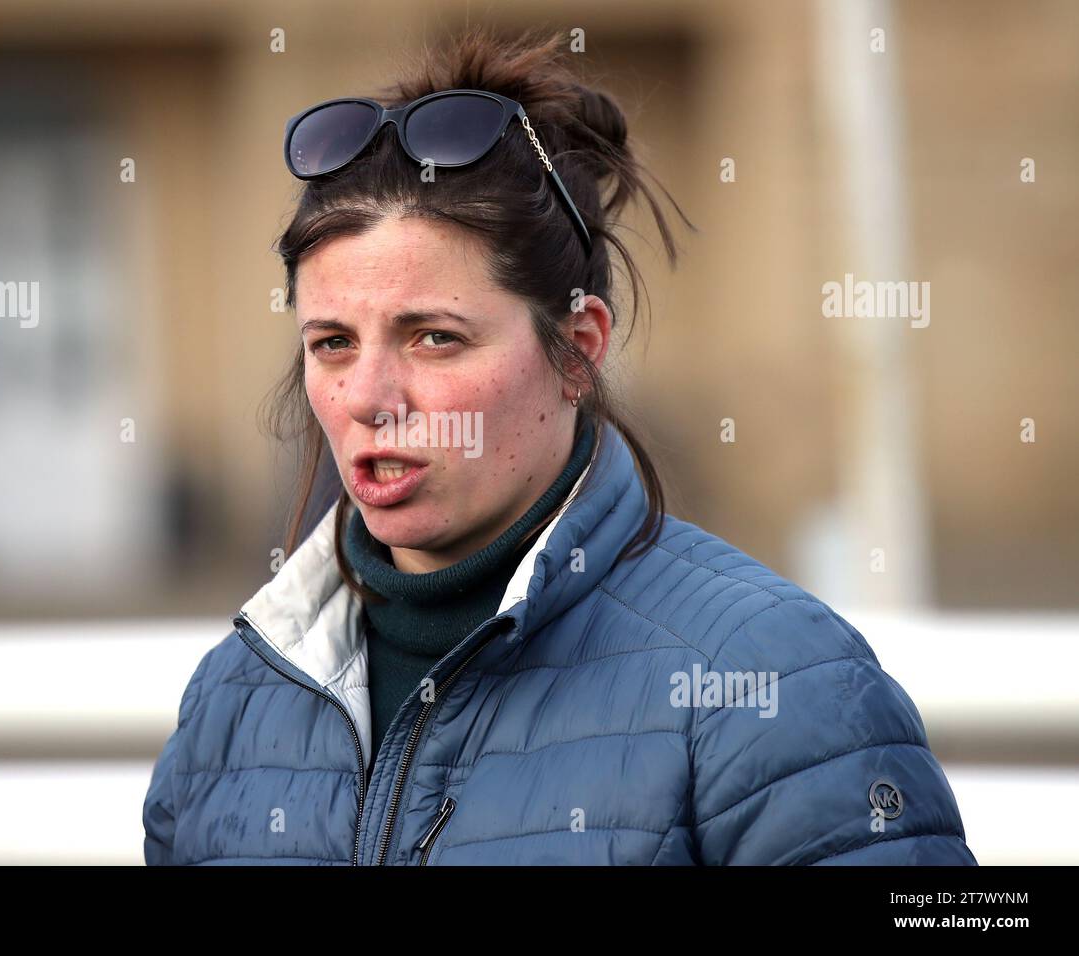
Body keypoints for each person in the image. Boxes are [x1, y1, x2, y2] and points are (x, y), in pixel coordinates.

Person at [142, 27, 976, 866]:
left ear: (577, 350)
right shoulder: (232, 702)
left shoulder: (771, 680)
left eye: (434, 337)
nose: (367, 398)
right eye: (332, 344)